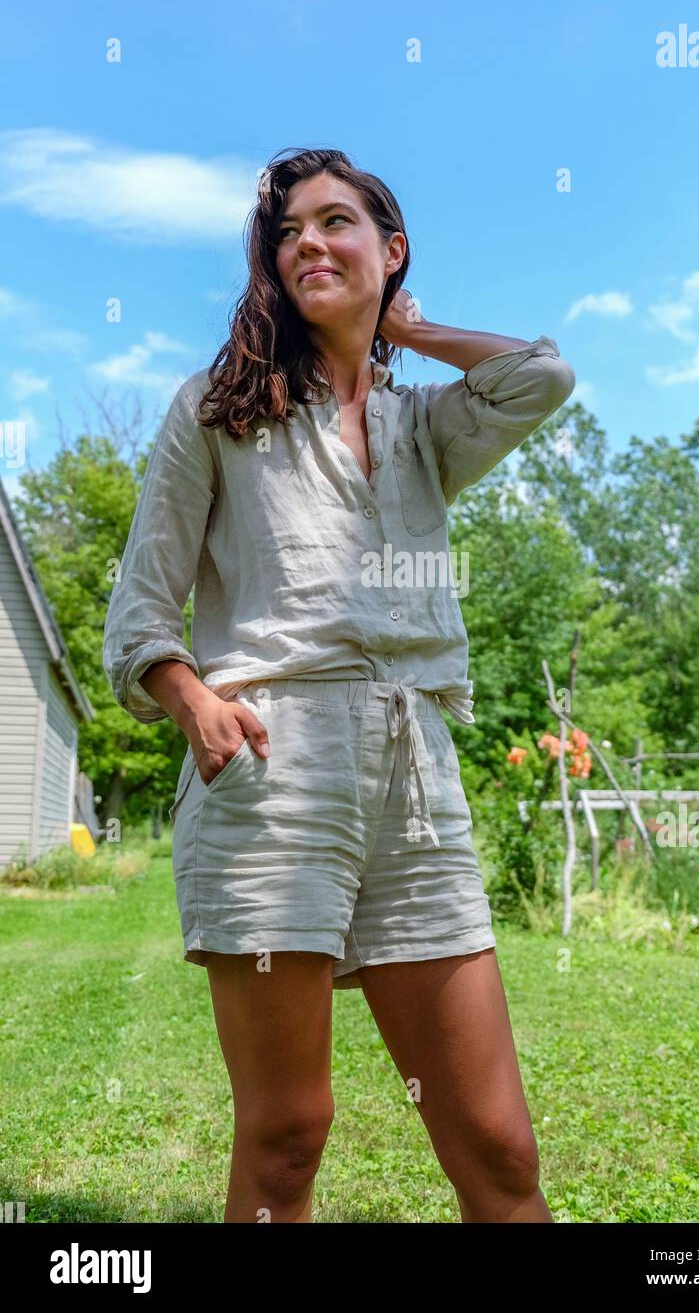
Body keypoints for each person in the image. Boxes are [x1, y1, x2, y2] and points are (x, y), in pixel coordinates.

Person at [102, 145, 576, 1224]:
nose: (306, 240)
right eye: (287, 231)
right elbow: (138, 613)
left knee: (499, 1146)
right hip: (275, 765)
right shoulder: (216, 413)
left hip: (417, 776)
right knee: (285, 1138)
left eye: (336, 221)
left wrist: (404, 330)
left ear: (391, 249)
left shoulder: (425, 427)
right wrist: (192, 699)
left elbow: (541, 376)